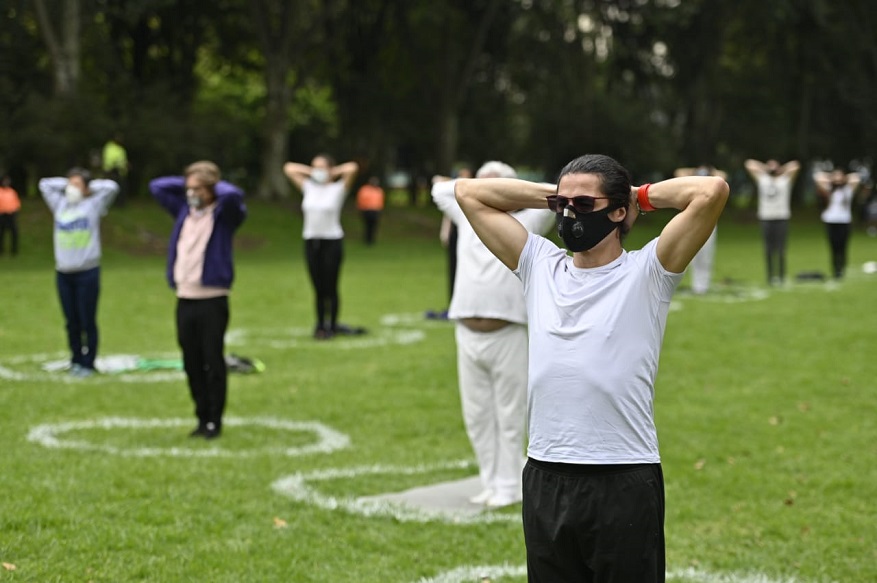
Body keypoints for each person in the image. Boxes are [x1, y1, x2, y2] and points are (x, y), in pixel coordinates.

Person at [455, 153, 729, 582]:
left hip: (623, 477)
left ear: (619, 212)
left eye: (584, 206)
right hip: (546, 473)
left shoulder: (648, 271)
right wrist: (558, 196)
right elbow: (469, 193)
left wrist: (639, 194)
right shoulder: (539, 265)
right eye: (562, 206)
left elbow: (710, 192)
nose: (569, 216)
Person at [432, 161, 554, 509]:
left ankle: (510, 485)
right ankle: (490, 482)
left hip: (507, 332)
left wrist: (507, 190)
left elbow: (554, 199)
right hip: (466, 331)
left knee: (510, 414)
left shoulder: (526, 224)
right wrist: (473, 186)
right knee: (477, 415)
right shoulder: (466, 218)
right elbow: (439, 190)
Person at [150, 161, 247, 439]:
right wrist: (187, 183)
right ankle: (201, 415)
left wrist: (213, 187)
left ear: (211, 189)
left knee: (211, 358)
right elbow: (155, 186)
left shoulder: (224, 214)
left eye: (198, 189)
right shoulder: (184, 210)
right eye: (188, 188)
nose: (191, 193)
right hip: (185, 296)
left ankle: (215, 419)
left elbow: (233, 195)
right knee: (191, 360)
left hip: (212, 298)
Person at [39, 168, 119, 377]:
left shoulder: (93, 205)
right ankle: (75, 359)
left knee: (87, 320)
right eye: (69, 184)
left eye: (77, 184)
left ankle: (88, 363)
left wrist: (87, 187)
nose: (71, 188)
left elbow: (112, 187)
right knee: (71, 321)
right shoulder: (60, 205)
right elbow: (44, 184)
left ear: (85, 188)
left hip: (87, 273)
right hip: (64, 273)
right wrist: (68, 183)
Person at [283, 155, 359, 339]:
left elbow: (352, 167)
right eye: (314, 167)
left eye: (321, 167)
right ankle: (319, 325)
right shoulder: (308, 188)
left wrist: (332, 173)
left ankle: (332, 325)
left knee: (330, 286)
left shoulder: (338, 189)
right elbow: (289, 167)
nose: (317, 171)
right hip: (311, 241)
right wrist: (312, 172)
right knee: (317, 287)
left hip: (331, 241)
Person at [744, 158, 801, 285]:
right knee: (768, 249)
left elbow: (795, 165)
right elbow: (749, 164)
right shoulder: (763, 179)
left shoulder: (785, 180)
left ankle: (781, 276)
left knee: (781, 249)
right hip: (766, 218)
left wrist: (780, 169)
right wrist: (766, 168)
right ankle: (770, 276)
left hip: (782, 217)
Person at [673, 164, 728, 294]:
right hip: (691, 223)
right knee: (689, 256)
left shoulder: (712, 187)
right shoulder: (692, 186)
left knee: (705, 256)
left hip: (708, 223)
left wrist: (711, 172)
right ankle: (693, 285)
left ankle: (702, 286)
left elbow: (722, 176)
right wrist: (694, 172)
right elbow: (678, 171)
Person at [813, 167, 862, 280]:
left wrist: (844, 179)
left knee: (842, 246)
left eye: (840, 176)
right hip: (830, 220)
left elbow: (856, 178)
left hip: (844, 221)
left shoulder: (848, 189)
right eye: (835, 176)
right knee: (833, 246)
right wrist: (831, 178)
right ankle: (835, 269)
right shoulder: (829, 189)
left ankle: (842, 268)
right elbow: (818, 177)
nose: (837, 178)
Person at [355, 176, 385, 245]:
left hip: (376, 210)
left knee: (374, 225)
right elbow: (360, 199)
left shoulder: (379, 190)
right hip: (366, 210)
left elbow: (381, 200)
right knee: (367, 225)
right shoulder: (364, 189)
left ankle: (372, 240)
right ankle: (367, 239)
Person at [102, 133, 129, 205]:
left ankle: (120, 203)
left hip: (119, 171)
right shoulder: (109, 147)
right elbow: (108, 159)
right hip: (110, 170)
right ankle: (108, 203)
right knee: (109, 187)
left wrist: (124, 166)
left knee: (120, 188)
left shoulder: (121, 149)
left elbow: (123, 160)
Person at [0, 174, 21, 256]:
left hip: (11, 214)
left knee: (14, 232)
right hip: (2, 215)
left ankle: (14, 251)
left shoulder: (12, 192)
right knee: (1, 233)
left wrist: (14, 211)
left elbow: (16, 203)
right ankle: (1, 250)